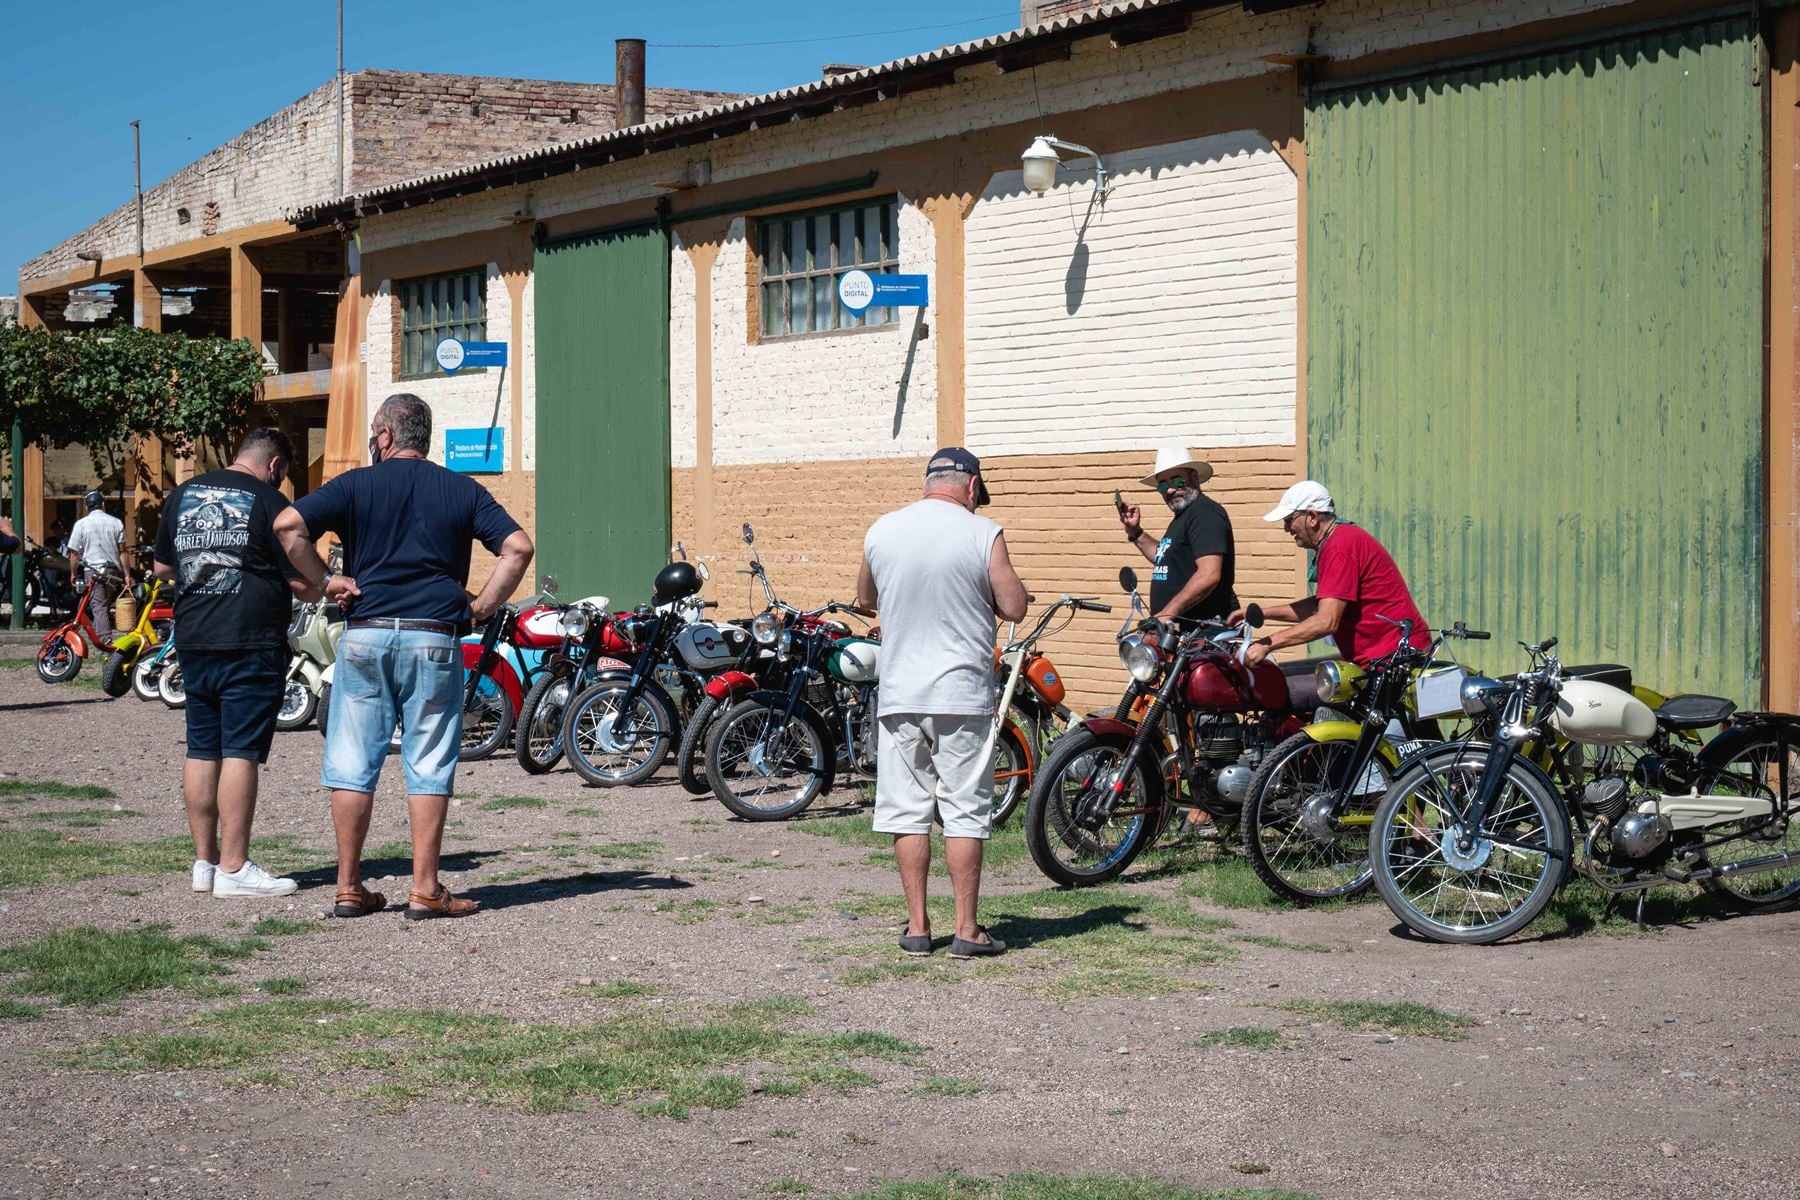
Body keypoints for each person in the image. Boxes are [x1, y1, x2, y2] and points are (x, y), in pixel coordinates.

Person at [275, 393, 533, 922]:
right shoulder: (461, 489)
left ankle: (349, 887)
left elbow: (287, 527)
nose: (373, 442)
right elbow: (518, 549)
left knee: (351, 760)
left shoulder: (354, 485)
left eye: (374, 433)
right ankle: (424, 888)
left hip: (365, 633)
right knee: (429, 760)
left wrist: (327, 582)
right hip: (433, 637)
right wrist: (481, 607)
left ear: (386, 437)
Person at [856, 447, 1028, 960]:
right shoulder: (982, 532)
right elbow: (1015, 605)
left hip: (901, 692)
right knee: (963, 812)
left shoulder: (882, 529)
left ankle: (916, 927)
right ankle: (967, 930)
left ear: (929, 481)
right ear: (972, 486)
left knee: (907, 812)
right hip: (961, 693)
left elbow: (865, 596)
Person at [154, 429, 318, 899]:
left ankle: (204, 864)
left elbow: (164, 567)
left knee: (202, 748)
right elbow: (300, 578)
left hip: (194, 636)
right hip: (249, 639)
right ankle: (234, 867)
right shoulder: (269, 502)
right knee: (241, 750)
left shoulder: (184, 494)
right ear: (275, 466)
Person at [1234, 480, 1430, 669]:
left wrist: (1267, 644)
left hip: (1394, 660)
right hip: (1383, 658)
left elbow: (1326, 620)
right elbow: (1321, 605)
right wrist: (1261, 614)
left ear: (1312, 517)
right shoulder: (1337, 541)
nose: (1286, 529)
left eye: (1289, 520)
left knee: (1288, 692)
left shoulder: (1339, 547)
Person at [1118, 447, 1237, 625]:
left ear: (1194, 478)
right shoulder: (1184, 517)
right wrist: (1135, 532)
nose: (1170, 490)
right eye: (1163, 485)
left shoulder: (1205, 513)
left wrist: (1167, 614)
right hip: (1181, 633)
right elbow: (1164, 557)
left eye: (1177, 481)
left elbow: (1209, 574)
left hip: (1208, 633)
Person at [67, 489, 130, 644]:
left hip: (93, 571)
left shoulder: (81, 525)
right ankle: (101, 634)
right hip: (112, 570)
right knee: (104, 605)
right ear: (103, 504)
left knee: (99, 606)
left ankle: (104, 641)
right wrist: (127, 574)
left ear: (87, 507)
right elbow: (123, 551)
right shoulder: (116, 523)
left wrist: (73, 574)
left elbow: (74, 553)